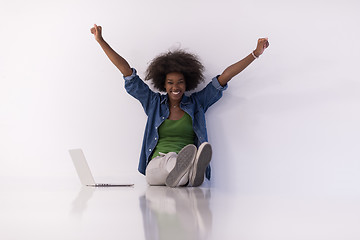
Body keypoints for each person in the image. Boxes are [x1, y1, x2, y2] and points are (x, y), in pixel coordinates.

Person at [90, 24, 269, 188]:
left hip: (179, 173)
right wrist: (101, 40)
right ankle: (190, 171)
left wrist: (255, 53)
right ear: (164, 84)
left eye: (180, 83)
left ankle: (187, 172)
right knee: (172, 160)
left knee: (178, 172)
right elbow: (126, 71)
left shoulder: (197, 103)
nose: (175, 87)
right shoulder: (153, 103)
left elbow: (225, 76)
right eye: (170, 83)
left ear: (187, 83)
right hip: (157, 167)